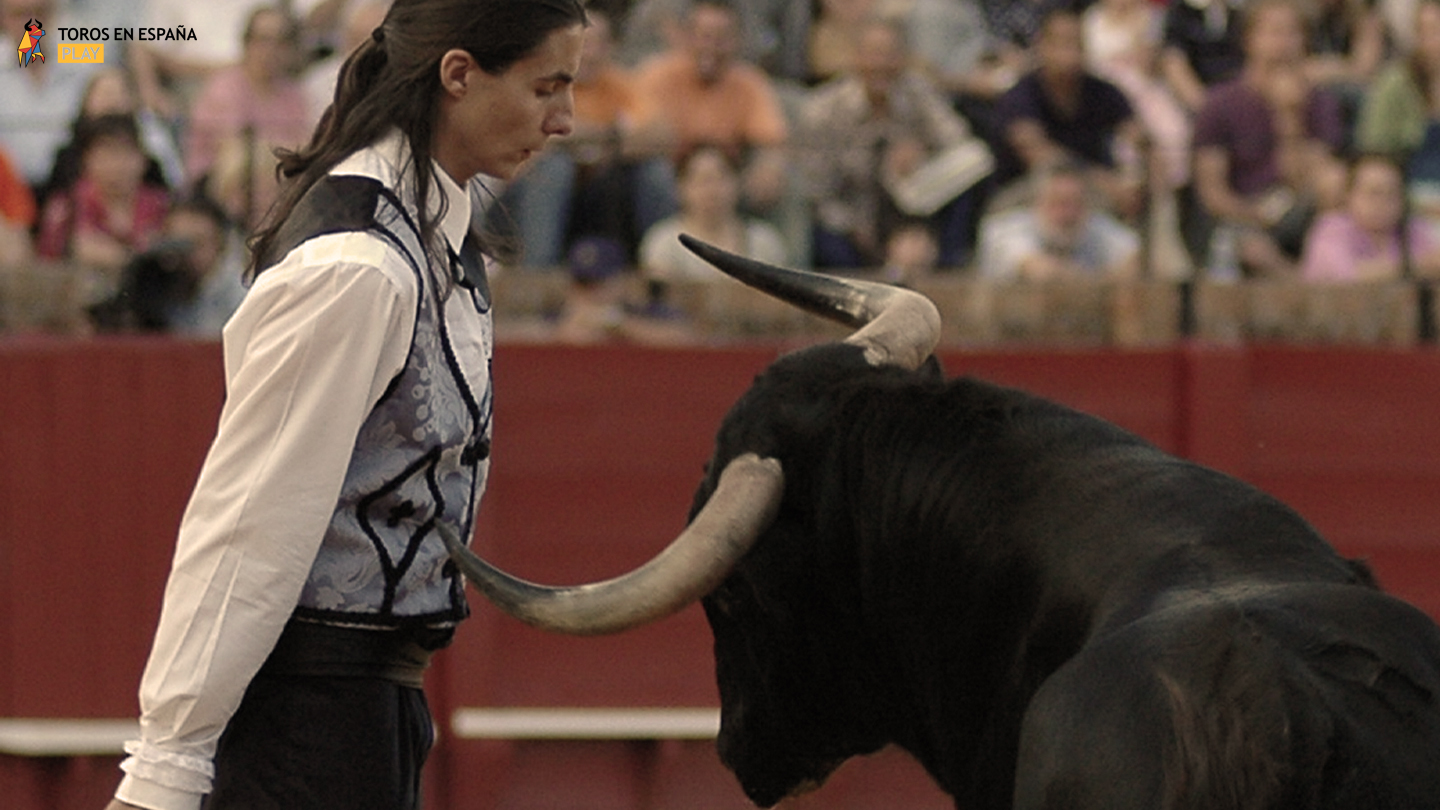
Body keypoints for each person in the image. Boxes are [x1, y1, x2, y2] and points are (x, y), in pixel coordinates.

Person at [102, 3, 588, 810]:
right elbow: (251, 523)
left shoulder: (426, 234)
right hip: (303, 723)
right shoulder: (359, 264)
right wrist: (165, 768)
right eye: (546, 87)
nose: (565, 119)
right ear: (459, 75)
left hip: (364, 712)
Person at [797, 15, 990, 269]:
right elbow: (817, 193)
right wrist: (856, 228)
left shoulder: (918, 92)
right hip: (849, 218)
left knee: (973, 167)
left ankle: (946, 265)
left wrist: (924, 153)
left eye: (890, 55)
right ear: (855, 58)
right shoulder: (823, 110)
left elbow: (960, 142)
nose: (881, 64)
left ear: (904, 59)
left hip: (910, 208)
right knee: (824, 238)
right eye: (873, 54)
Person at [1192, 0, 1347, 277]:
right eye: (1274, 32)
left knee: (1336, 184)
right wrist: (1254, 215)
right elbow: (1212, 191)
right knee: (1239, 245)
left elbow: (1315, 180)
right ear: (1249, 39)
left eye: (1292, 33)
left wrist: (1288, 117)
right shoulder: (1220, 104)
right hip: (1241, 215)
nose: (1283, 43)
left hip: (1298, 211)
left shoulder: (1319, 102)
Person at [992, 9, 1143, 218]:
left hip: (1090, 194)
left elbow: (1134, 133)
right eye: (1062, 43)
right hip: (1025, 198)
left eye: (1077, 44)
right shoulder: (1020, 97)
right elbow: (1039, 155)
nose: (1070, 53)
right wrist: (1104, 182)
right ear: (1042, 46)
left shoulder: (1102, 91)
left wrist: (1134, 175)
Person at [184, 6, 315, 185]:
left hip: (278, 181)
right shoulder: (224, 88)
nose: (270, 50)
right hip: (217, 184)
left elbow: (304, 150)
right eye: (263, 40)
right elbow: (234, 149)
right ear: (246, 43)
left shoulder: (294, 95)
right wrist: (280, 149)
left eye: (280, 43)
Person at [638, 143, 788, 295]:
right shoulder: (664, 243)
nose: (712, 190)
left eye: (721, 178)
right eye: (703, 180)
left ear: (737, 182)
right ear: (681, 187)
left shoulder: (764, 242)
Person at [89, 194, 247, 335]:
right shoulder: (157, 284)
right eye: (177, 243)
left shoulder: (237, 296)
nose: (187, 254)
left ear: (220, 244)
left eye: (198, 243)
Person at [35, 114, 170, 274]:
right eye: (108, 154)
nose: (118, 164)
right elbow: (48, 262)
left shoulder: (162, 205)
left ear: (144, 158)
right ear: (87, 159)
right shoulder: (67, 207)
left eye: (127, 152)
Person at [977, 160, 1141, 280]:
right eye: (1058, 203)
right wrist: (1102, 280)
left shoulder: (1094, 226)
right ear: (1038, 203)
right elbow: (1039, 271)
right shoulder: (1004, 229)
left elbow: (1135, 257)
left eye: (1077, 203)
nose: (1069, 214)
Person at [1357, 0, 1440, 223]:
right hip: (1407, 198)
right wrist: (1413, 203)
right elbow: (1375, 157)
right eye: (1431, 31)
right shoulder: (1395, 84)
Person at [1300, 154, 1440, 281]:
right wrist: (1413, 266)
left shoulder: (1413, 229)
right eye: (1374, 193)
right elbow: (1345, 276)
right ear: (1349, 195)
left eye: (1391, 193)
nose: (1383, 202)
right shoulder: (1330, 228)